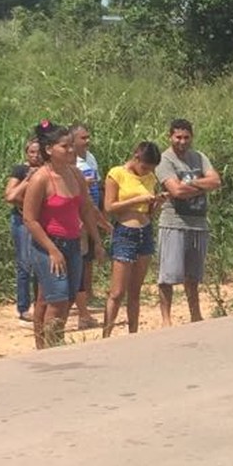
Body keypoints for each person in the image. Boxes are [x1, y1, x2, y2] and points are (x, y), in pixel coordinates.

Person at [19, 122, 103, 350]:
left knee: (65, 299)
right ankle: (49, 350)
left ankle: (55, 343)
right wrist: (52, 250)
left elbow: (86, 209)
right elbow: (29, 219)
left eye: (70, 146)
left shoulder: (75, 174)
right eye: (64, 146)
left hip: (73, 243)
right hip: (47, 245)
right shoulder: (40, 179)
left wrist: (97, 240)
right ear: (49, 150)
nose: (70, 151)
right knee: (55, 300)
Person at [156, 119, 221, 326]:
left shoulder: (199, 157)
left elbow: (216, 181)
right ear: (170, 137)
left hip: (198, 222)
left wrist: (190, 183)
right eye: (178, 137)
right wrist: (202, 186)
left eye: (186, 137)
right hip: (174, 222)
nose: (182, 141)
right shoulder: (164, 160)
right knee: (168, 275)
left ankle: (195, 314)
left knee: (193, 275)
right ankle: (166, 320)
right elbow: (175, 191)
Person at [102, 142, 162, 337]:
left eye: (150, 168)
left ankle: (133, 333)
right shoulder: (117, 174)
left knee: (135, 291)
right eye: (145, 167)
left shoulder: (150, 177)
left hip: (144, 230)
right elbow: (109, 207)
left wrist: (156, 203)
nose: (147, 171)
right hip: (125, 232)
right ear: (136, 158)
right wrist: (136, 201)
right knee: (117, 292)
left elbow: (149, 212)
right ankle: (106, 333)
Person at [70, 124, 106, 331]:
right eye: (83, 138)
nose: (87, 141)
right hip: (77, 219)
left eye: (88, 137)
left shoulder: (90, 158)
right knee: (77, 263)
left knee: (87, 258)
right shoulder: (69, 163)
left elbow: (97, 186)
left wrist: (100, 215)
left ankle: (85, 302)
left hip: (90, 214)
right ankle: (79, 313)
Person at [3, 135, 43, 321]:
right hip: (22, 220)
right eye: (31, 152)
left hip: (42, 220)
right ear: (26, 153)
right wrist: (28, 182)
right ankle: (24, 306)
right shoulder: (20, 170)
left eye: (38, 152)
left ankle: (40, 304)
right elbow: (10, 196)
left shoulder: (47, 170)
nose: (35, 155)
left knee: (40, 264)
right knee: (24, 263)